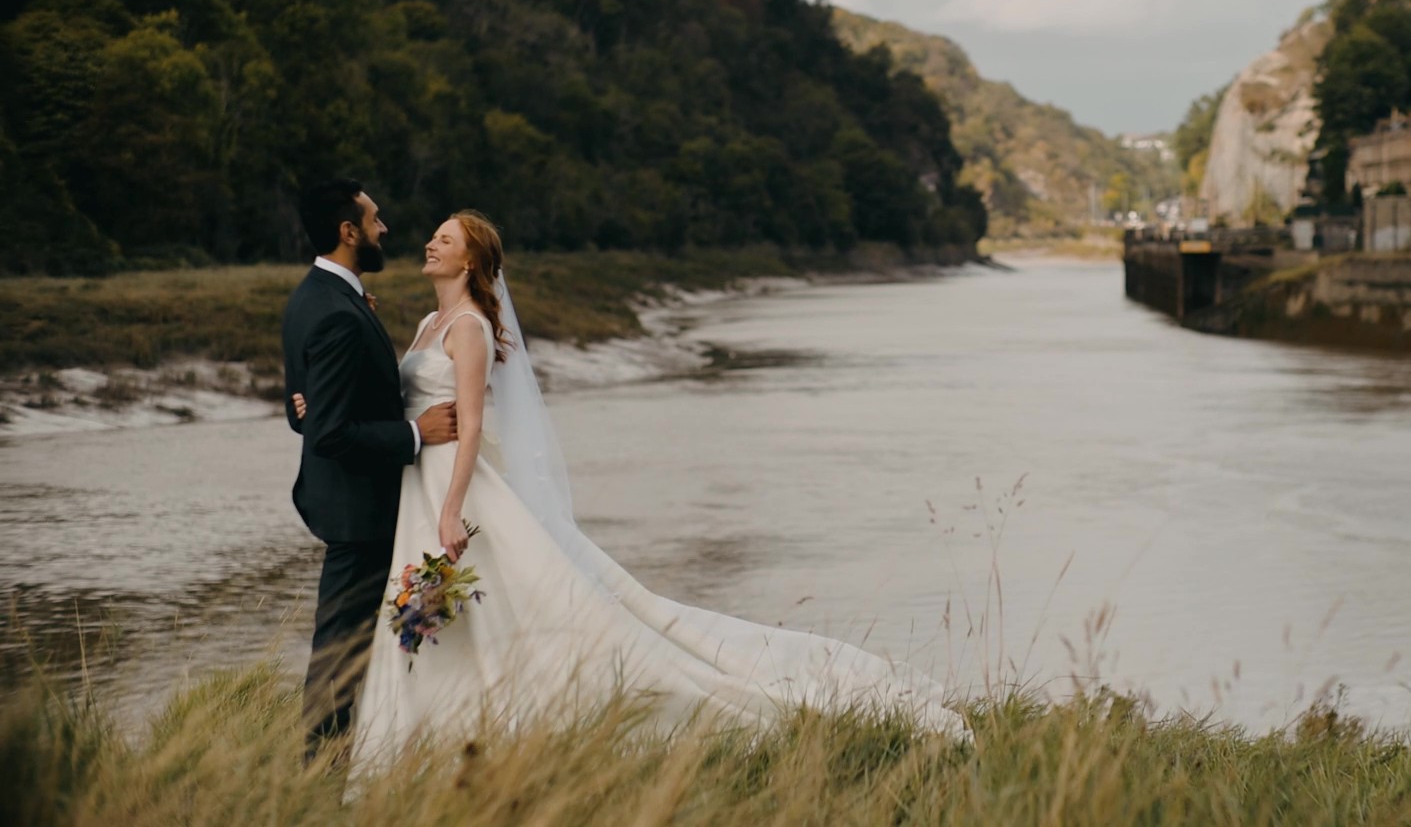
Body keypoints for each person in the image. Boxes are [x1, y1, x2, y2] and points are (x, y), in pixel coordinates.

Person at [291, 207, 965, 769]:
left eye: (445, 238)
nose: (428, 242)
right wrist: (312, 407)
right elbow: (390, 398)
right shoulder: (424, 325)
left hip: (449, 491)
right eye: (433, 235)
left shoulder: (466, 328)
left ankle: (505, 723)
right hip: (417, 483)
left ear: (469, 263)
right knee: (448, 621)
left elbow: (468, 429)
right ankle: (430, 734)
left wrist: (449, 511)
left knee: (504, 607)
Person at [282, 180, 459, 764]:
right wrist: (416, 432)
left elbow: (300, 406)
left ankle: (372, 751)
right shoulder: (336, 313)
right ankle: (320, 771)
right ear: (348, 231)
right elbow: (329, 432)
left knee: (362, 640)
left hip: (352, 503)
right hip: (360, 510)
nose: (385, 230)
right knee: (342, 649)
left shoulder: (314, 297)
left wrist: (311, 408)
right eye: (375, 220)